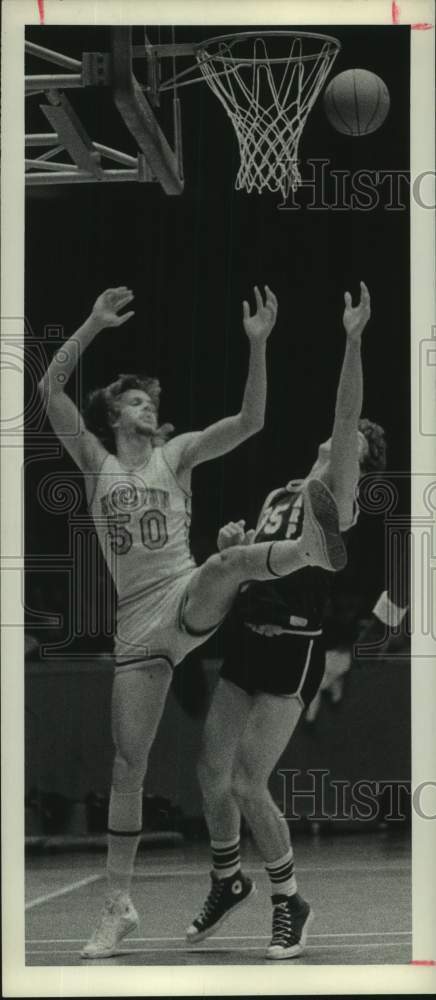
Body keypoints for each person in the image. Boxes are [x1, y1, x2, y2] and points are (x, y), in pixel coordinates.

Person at [38, 283, 344, 959]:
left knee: (220, 566)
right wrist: (90, 322)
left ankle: (301, 551)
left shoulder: (177, 456)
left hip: (186, 596)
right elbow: (48, 389)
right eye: (138, 399)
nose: (152, 405)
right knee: (128, 765)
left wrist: (258, 346)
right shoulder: (96, 463)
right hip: (137, 629)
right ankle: (119, 905)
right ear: (116, 412)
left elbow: (251, 420)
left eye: (154, 400)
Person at [186, 281, 387, 960]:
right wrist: (230, 545)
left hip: (294, 649)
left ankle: (289, 900)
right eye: (340, 439)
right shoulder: (282, 491)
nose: (341, 440)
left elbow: (346, 411)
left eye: (353, 441)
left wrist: (354, 340)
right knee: (209, 772)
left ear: (358, 460)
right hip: (246, 638)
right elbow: (252, 559)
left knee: (247, 781)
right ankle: (225, 879)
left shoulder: (338, 499)